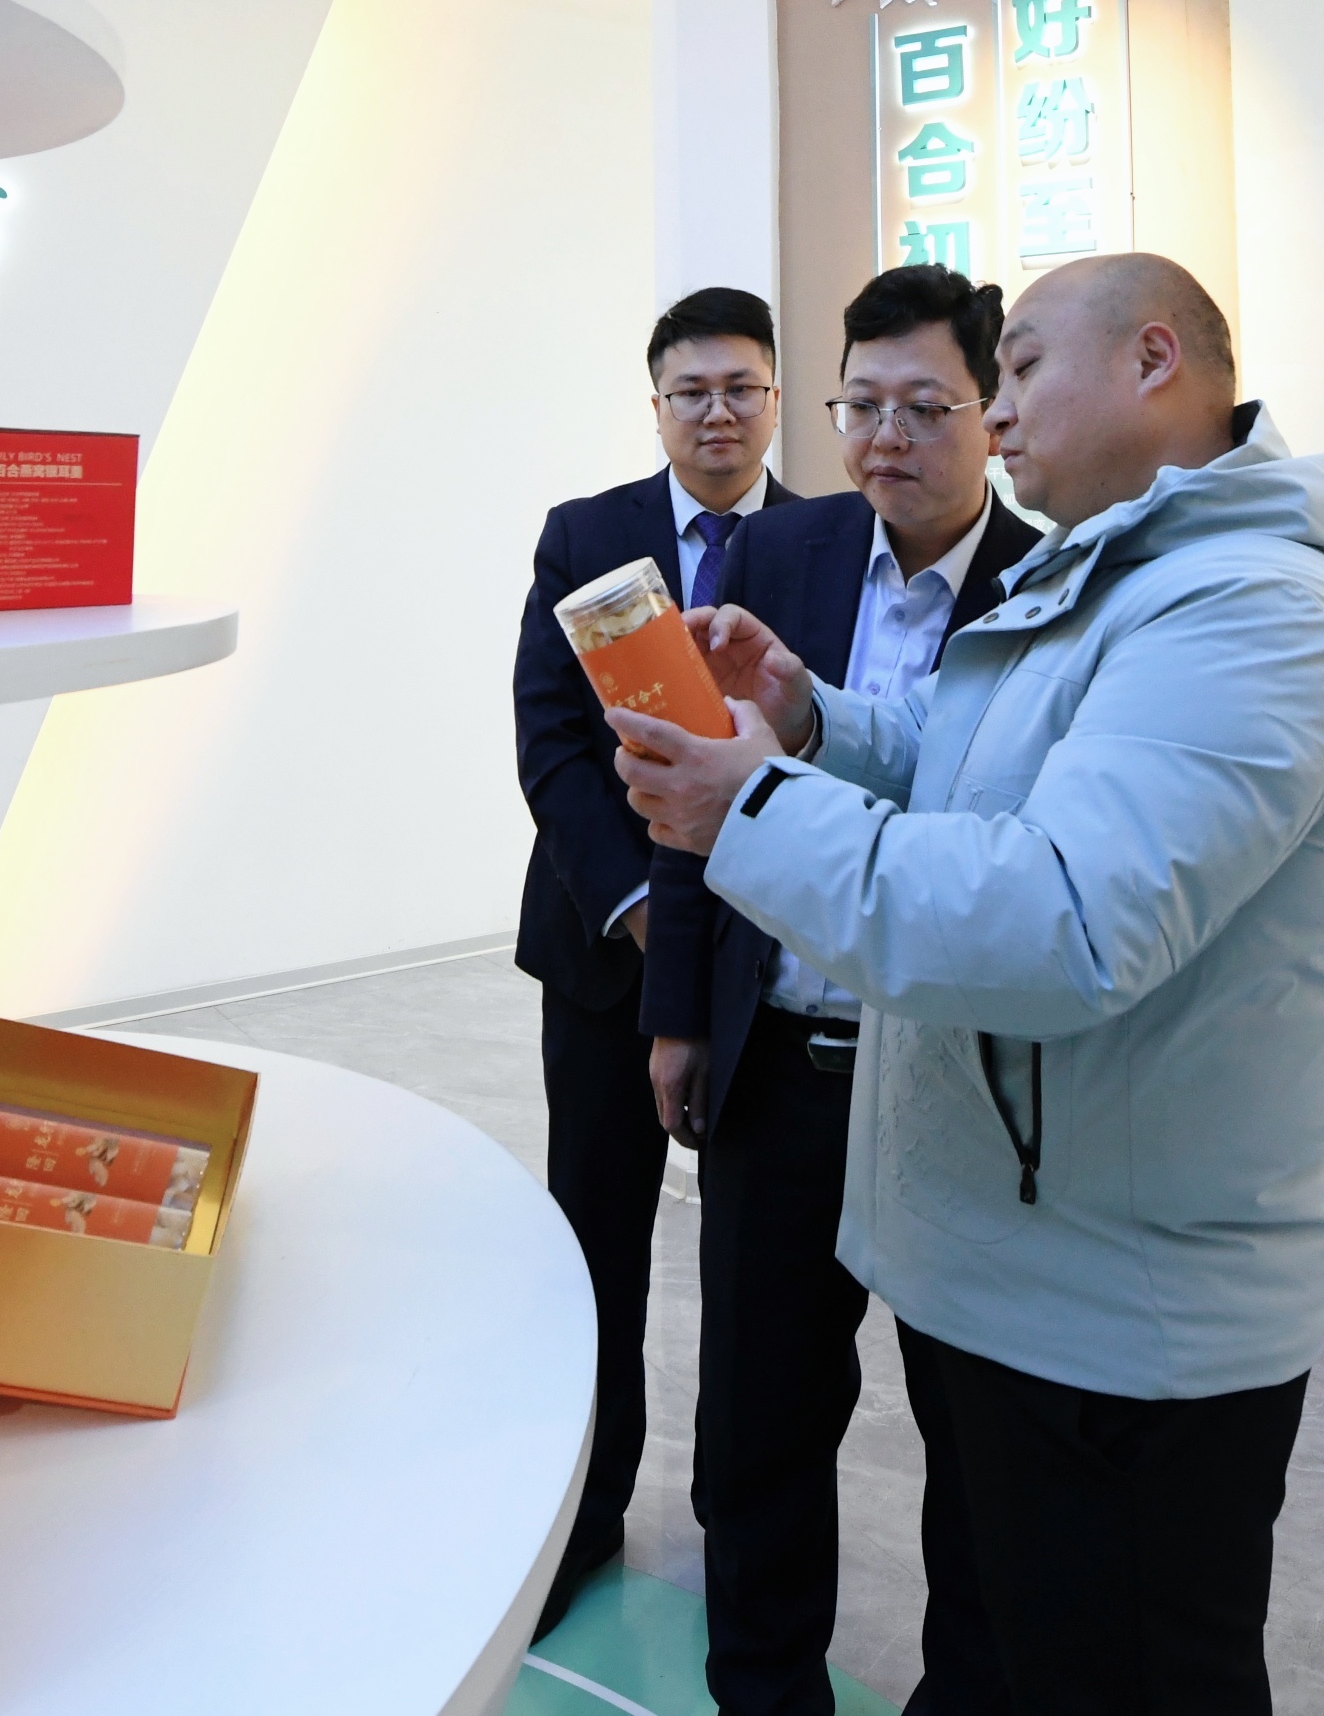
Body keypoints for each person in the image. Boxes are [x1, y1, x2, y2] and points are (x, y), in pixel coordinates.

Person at [608, 252, 1324, 1716]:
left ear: (1153, 360)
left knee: (1109, 1670)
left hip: (1121, 1311)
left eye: (1017, 369)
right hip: (1023, 1256)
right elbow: (976, 764)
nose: (998, 410)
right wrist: (812, 717)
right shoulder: (1127, 573)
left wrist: (751, 808)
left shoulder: (1249, 614)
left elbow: (1061, 919)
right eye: (872, 403)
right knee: (997, 1637)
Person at [638, 263, 1040, 1716]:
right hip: (779, 1065)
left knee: (975, 1444)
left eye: (925, 406)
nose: (887, 438)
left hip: (949, 1087)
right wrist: (681, 1012)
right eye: (861, 406)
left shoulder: (1051, 583)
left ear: (991, 415)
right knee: (756, 1427)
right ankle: (762, 1693)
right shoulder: (780, 549)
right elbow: (698, 788)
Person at [511, 284, 802, 1636]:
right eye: (692, 391)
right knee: (594, 1246)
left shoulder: (823, 540)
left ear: (775, 400)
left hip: (762, 968)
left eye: (741, 388)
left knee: (755, 1276)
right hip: (604, 957)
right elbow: (549, 744)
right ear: (657, 405)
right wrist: (638, 906)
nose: (717, 413)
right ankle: (585, 1518)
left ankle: (740, 1542)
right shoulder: (588, 535)